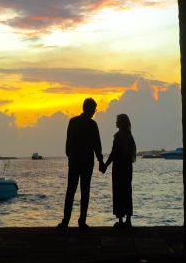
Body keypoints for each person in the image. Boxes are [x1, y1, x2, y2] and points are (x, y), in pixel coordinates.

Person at [58, 98, 104, 230]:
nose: (95, 112)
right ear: (89, 109)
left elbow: (68, 143)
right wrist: (100, 161)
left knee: (70, 191)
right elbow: (97, 145)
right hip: (86, 162)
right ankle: (82, 221)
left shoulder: (73, 122)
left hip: (74, 162)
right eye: (94, 109)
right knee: (85, 191)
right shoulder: (92, 125)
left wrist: (70, 157)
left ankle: (66, 221)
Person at [101, 114, 136, 229]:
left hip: (119, 168)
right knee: (127, 192)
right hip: (127, 168)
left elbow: (113, 153)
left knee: (118, 192)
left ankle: (121, 220)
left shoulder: (119, 136)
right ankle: (128, 220)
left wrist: (105, 165)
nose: (115, 122)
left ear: (121, 123)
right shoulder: (129, 137)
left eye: (117, 121)